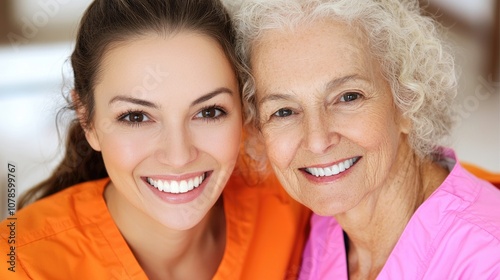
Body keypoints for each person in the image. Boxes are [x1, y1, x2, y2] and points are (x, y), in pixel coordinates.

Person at [0, 0, 311, 279]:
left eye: (209, 112)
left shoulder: (293, 207)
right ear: (88, 120)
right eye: (136, 117)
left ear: (244, 110)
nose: (178, 156)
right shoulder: (18, 264)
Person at [230, 0, 500, 278]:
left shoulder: (488, 260)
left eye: (348, 97)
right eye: (284, 111)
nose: (317, 141)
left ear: (406, 100)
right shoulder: (319, 229)